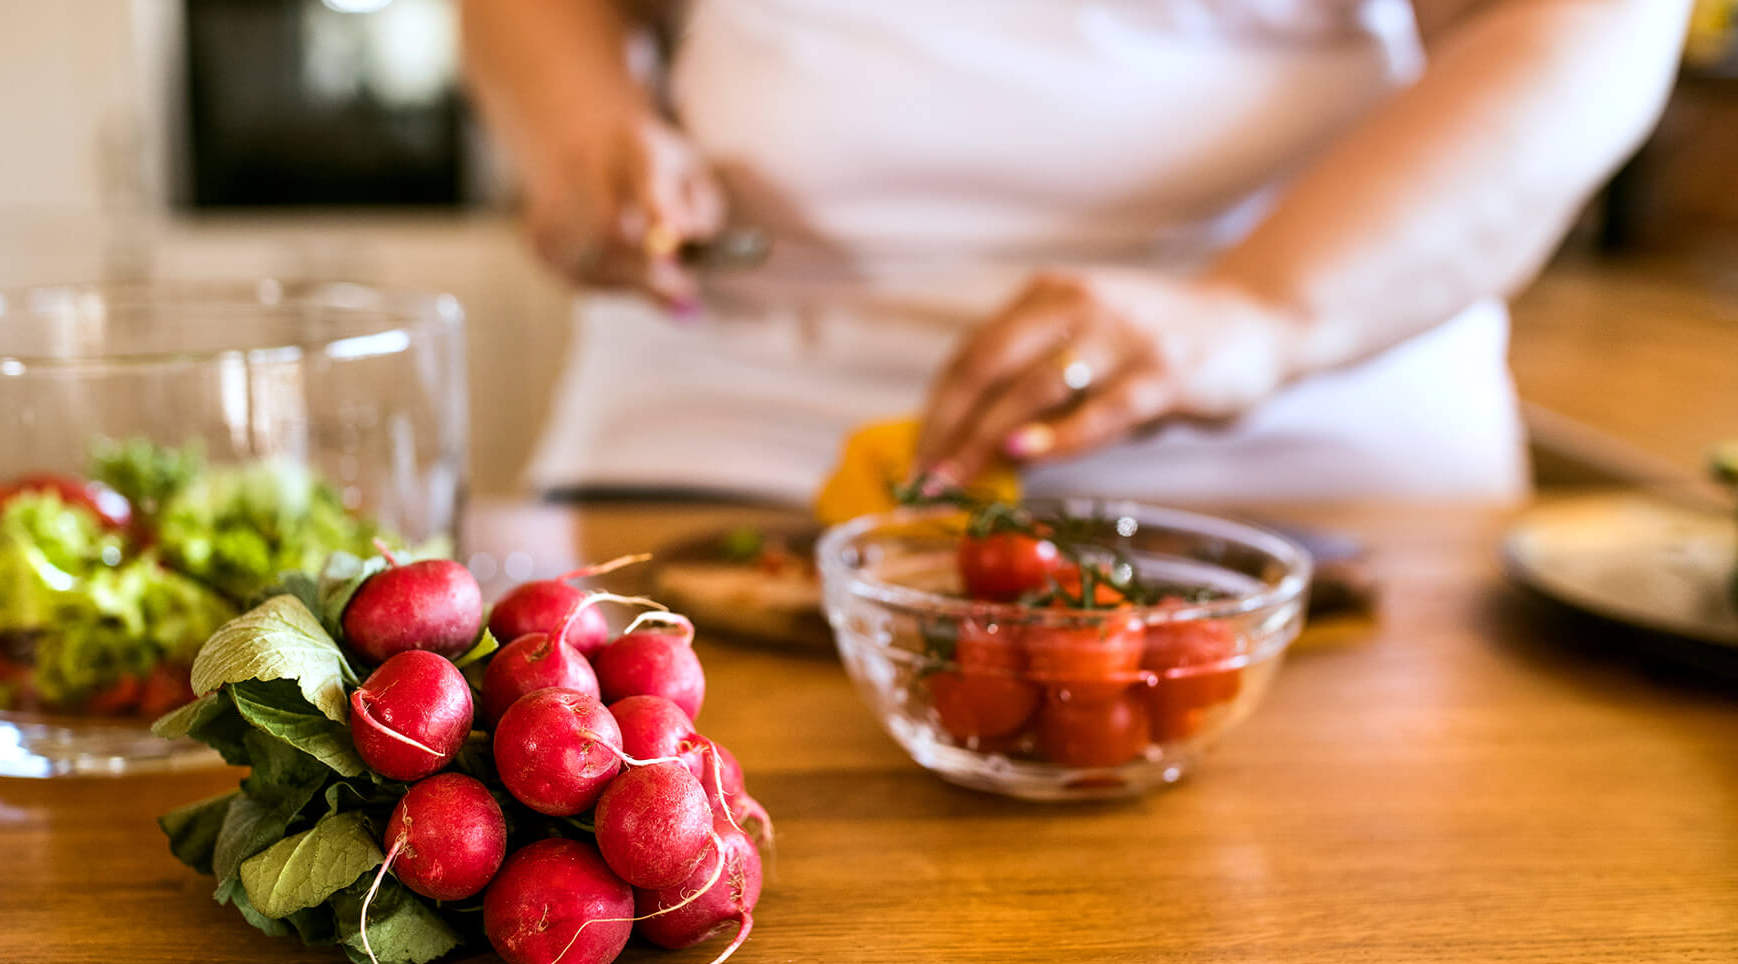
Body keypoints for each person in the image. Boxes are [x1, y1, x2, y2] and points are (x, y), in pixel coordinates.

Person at [461, 0, 1690, 503]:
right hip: (720, 450)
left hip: (1312, 483)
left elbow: (1583, 28)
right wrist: (573, 119)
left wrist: (1257, 313)